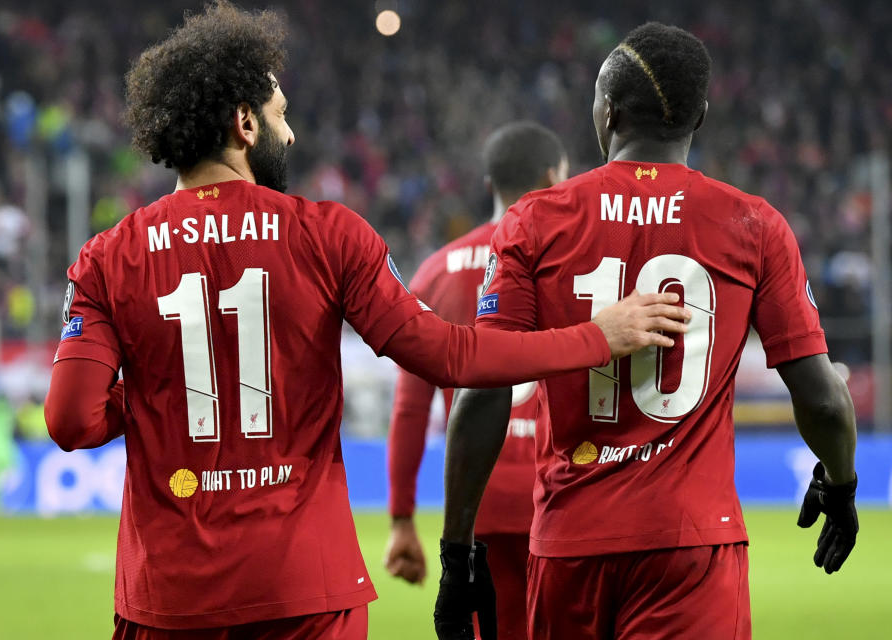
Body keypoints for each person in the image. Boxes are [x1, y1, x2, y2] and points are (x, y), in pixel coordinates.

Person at [42, 4, 691, 639]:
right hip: (305, 592)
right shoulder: (327, 236)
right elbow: (450, 357)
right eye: (280, 115)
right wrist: (597, 337)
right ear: (244, 123)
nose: (289, 133)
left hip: (167, 598)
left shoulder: (108, 257)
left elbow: (72, 422)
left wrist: (157, 391)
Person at [435, 22, 859, 640]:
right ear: (702, 116)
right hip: (691, 546)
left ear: (607, 112)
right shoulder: (755, 225)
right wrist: (842, 482)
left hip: (569, 545)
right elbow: (820, 395)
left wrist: (457, 554)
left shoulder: (534, 219)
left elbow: (482, 391)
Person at [385, 121, 567, 640]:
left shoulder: (435, 271)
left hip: (476, 501)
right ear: (555, 177)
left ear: (490, 185)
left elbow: (410, 409)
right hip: (558, 494)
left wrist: (401, 519)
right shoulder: (570, 261)